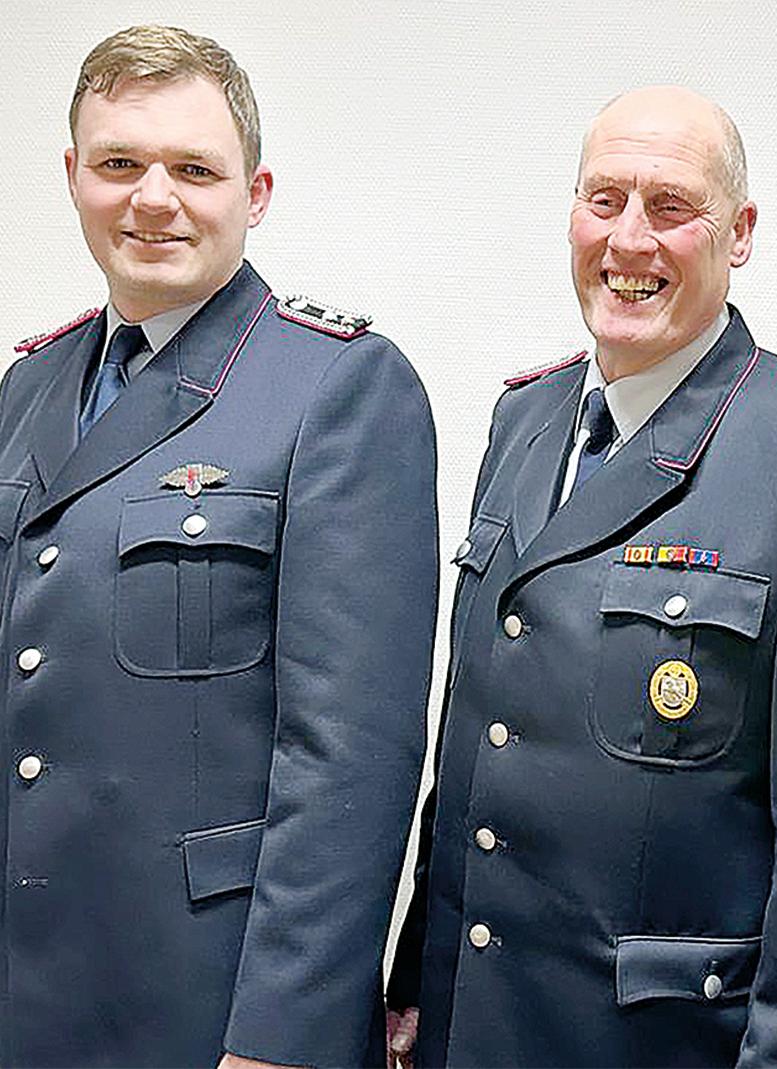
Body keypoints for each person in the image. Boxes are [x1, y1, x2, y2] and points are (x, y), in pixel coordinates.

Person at [386, 86, 777, 1067]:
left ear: (741, 232)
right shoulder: (525, 420)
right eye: (603, 200)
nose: (629, 240)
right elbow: (476, 740)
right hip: (470, 1029)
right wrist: (416, 989)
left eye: (671, 206)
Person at [0, 25, 438, 1068]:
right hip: (28, 988)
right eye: (119, 164)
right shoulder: (28, 387)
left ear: (257, 191)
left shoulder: (337, 389)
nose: (153, 198)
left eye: (194, 169)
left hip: (209, 1007)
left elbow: (351, 761)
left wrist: (283, 1037)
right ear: (73, 177)